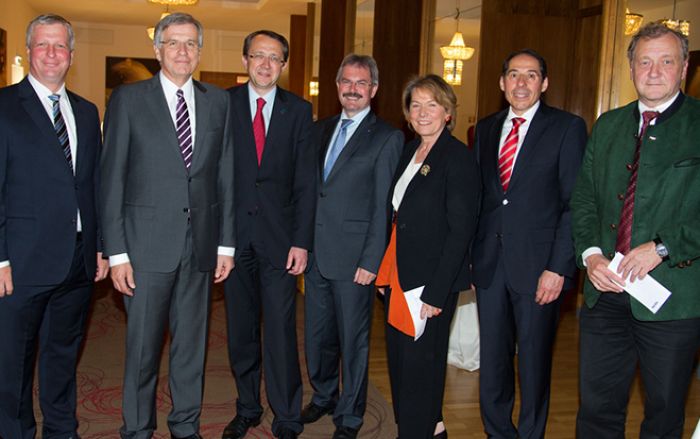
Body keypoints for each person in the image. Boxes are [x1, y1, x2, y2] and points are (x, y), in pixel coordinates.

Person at [100, 13, 235, 439]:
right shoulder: (128, 100)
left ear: (200, 50)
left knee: (191, 348)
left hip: (200, 249)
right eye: (173, 43)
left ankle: (185, 425)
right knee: (142, 350)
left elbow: (225, 176)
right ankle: (137, 428)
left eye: (191, 43)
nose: (183, 51)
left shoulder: (218, 101)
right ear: (157, 49)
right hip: (144, 249)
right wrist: (117, 252)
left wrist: (226, 246)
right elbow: (112, 179)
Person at [571, 22, 700, 438]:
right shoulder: (607, 125)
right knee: (596, 407)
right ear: (631, 68)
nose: (654, 71)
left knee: (663, 411)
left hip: (672, 298)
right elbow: (585, 201)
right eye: (645, 61)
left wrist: (662, 248)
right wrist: (590, 255)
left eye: (666, 61)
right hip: (605, 293)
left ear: (683, 69)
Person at [0, 14, 109, 439]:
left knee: (63, 356)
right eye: (43, 45)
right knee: (14, 363)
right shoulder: (5, 106)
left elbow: (92, 185)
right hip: (21, 263)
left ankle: (61, 429)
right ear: (29, 52)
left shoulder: (86, 111)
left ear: (71, 55)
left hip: (77, 262)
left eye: (59, 46)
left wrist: (99, 245)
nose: (51, 54)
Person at [471, 49, 587, 439]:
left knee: (534, 363)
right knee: (493, 362)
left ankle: (531, 434)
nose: (522, 84)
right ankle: (497, 431)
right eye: (514, 75)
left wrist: (559, 267)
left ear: (545, 83)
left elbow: (574, 204)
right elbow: (482, 200)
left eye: (532, 75)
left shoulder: (567, 128)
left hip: (540, 268)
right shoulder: (485, 129)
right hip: (489, 263)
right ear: (502, 82)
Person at [301, 53, 403, 439]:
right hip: (316, 254)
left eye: (362, 83)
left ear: (374, 90)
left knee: (353, 340)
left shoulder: (388, 137)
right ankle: (324, 395)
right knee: (318, 334)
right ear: (337, 86)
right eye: (347, 81)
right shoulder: (319, 129)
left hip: (356, 260)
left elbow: (383, 205)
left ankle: (351, 414)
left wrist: (372, 260)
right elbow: (311, 192)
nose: (353, 89)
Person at [221, 30, 314, 439]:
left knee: (279, 331)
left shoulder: (299, 111)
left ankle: (287, 415)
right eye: (258, 55)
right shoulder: (221, 105)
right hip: (232, 241)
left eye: (274, 58)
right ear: (244, 60)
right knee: (241, 331)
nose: (265, 64)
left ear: (283, 65)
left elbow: (306, 184)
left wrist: (302, 240)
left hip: (280, 241)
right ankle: (247, 407)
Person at [376, 74, 480, 439]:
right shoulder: (409, 151)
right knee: (402, 367)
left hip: (429, 286)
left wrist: (436, 294)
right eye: (415, 105)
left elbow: (460, 231)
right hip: (399, 278)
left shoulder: (458, 159)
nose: (423, 113)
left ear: (448, 112)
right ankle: (431, 429)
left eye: (431, 104)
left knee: (422, 369)